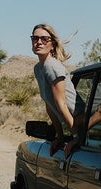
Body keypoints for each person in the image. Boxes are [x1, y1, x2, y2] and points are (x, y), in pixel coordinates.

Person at [31, 24, 83, 157]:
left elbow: (62, 105)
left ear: (52, 44)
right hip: (73, 124)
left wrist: (76, 137)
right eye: (35, 38)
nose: (39, 42)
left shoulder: (51, 66)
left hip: (82, 122)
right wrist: (59, 137)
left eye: (44, 39)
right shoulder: (38, 69)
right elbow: (49, 105)